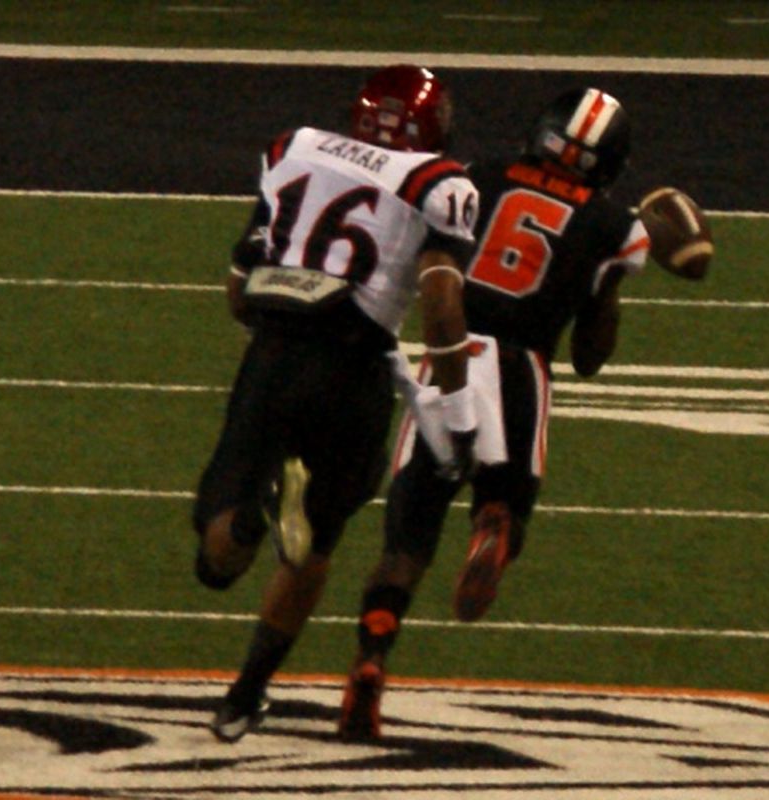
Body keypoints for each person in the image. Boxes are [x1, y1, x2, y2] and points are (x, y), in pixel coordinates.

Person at [338, 87, 707, 740]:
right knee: (503, 505)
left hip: (450, 356)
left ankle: (371, 655)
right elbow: (591, 355)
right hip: (521, 371)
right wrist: (611, 286)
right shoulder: (611, 224)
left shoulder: (473, 177)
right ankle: (494, 526)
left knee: (404, 545)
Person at [191, 64, 481, 743]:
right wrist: (458, 418)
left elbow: (239, 291)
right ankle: (244, 694)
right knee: (316, 548)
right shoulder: (438, 184)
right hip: (355, 369)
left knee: (216, 562)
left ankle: (252, 523)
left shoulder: (291, 148)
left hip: (274, 354)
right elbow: (441, 304)